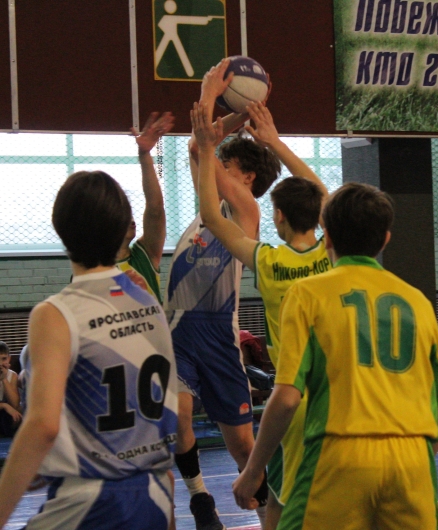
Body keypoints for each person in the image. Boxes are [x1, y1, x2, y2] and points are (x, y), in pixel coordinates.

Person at [232, 182, 438, 529]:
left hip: (340, 454)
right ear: (385, 240)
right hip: (412, 458)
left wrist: (252, 471)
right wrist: (410, 462)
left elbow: (288, 398)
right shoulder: (418, 302)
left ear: (328, 239)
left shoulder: (307, 294)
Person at [0, 171, 178, 529]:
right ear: (121, 229)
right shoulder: (148, 302)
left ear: (60, 228)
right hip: (156, 492)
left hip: (91, 500)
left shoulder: (55, 313)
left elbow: (42, 425)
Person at [192, 100, 330, 529]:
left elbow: (212, 215)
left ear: (279, 216)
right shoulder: (331, 255)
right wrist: (275, 143)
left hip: (294, 395)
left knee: (280, 503)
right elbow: (325, 197)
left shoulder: (268, 262)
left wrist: (205, 152)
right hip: (338, 391)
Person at [167, 59, 280, 530]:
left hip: (217, 337)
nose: (216, 169)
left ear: (246, 178)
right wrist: (237, 113)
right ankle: (200, 499)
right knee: (178, 420)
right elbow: (200, 147)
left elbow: (202, 147)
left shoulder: (246, 212)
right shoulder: (206, 211)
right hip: (177, 332)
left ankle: (269, 516)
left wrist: (211, 94)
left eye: (227, 166)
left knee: (243, 448)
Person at [116, 112, 175, 304]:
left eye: (130, 214)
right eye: (122, 216)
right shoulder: (92, 270)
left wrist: (144, 154)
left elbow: (155, 208)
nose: (131, 220)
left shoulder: (143, 256)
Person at [0, 342, 21, 436]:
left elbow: (15, 404)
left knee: (18, 413)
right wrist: (4, 405)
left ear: (9, 358)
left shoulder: (12, 375)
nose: (0, 363)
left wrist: (4, 379)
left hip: (4, 415)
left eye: (4, 359)